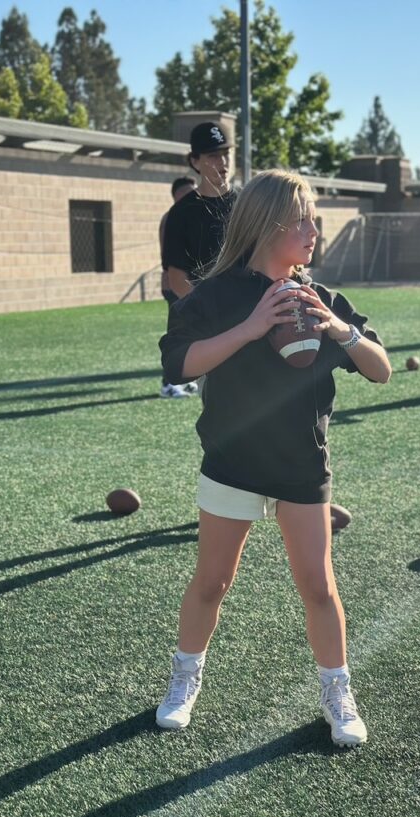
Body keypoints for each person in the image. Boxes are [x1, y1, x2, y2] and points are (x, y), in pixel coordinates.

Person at [156, 169, 392, 748]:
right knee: (212, 582)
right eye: (303, 221)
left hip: (300, 465)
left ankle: (337, 691)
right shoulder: (218, 295)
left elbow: (381, 369)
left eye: (314, 221)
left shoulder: (321, 299)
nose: (314, 231)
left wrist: (339, 328)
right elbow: (178, 364)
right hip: (232, 460)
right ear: (268, 224)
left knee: (318, 585)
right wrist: (252, 327)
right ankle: (185, 677)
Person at [161, 121, 237, 301]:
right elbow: (177, 278)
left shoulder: (248, 203)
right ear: (195, 162)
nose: (223, 162)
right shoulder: (181, 213)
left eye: (226, 153)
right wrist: (209, 308)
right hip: (202, 312)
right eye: (213, 155)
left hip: (248, 310)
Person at [159, 176, 197, 398]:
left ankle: (185, 380)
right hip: (175, 286)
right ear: (177, 196)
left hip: (188, 285)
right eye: (189, 192)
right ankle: (168, 383)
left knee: (191, 334)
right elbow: (172, 258)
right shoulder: (173, 218)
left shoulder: (189, 216)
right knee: (177, 334)